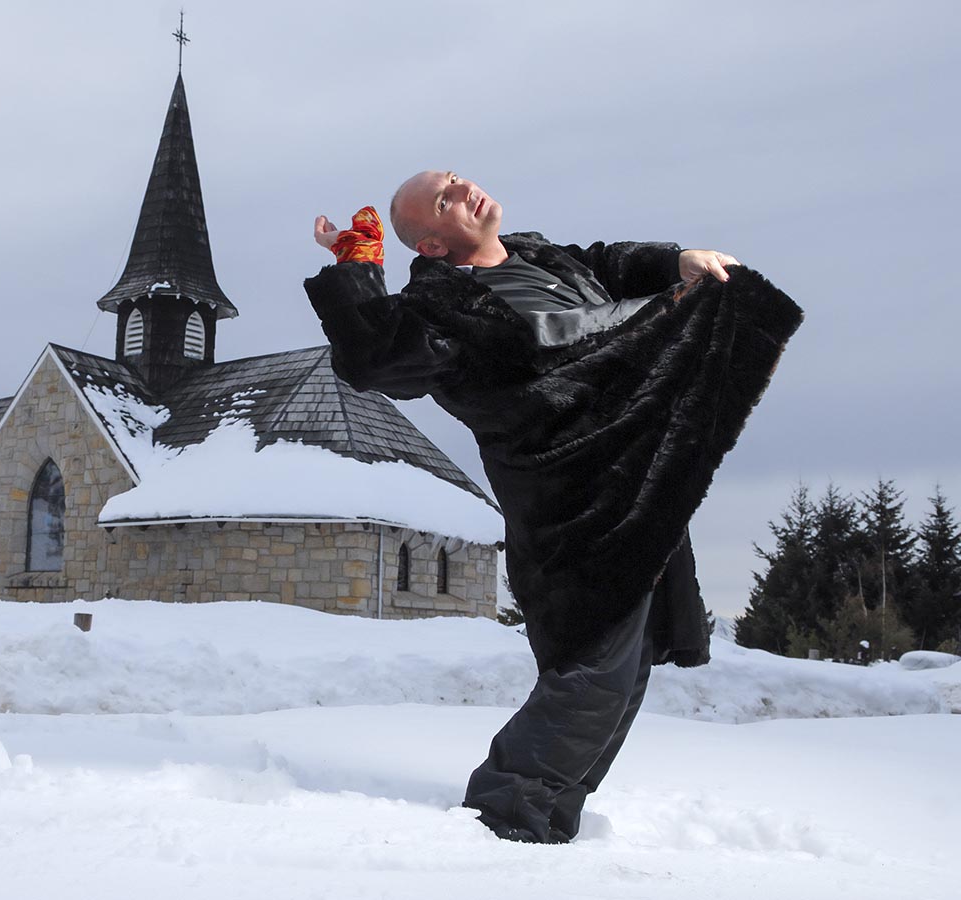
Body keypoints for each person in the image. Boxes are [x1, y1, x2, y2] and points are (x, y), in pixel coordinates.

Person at [304, 170, 802, 844]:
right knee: (591, 671)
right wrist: (357, 271)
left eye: (457, 179)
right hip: (573, 506)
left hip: (638, 481)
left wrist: (675, 260)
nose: (466, 191)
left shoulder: (541, 255)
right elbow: (374, 359)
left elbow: (608, 263)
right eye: (446, 199)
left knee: (623, 674)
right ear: (432, 246)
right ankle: (505, 818)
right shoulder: (441, 313)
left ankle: (551, 814)